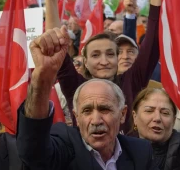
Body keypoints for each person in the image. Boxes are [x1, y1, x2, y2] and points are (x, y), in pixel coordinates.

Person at [42, 0, 161, 133]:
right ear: (85, 61)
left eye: (110, 54)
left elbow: (152, 41)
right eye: (96, 55)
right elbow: (55, 46)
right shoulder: (76, 86)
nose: (104, 61)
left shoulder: (131, 81)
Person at [17, 25, 155, 169]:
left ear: (123, 114)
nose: (96, 121)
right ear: (76, 116)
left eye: (105, 109)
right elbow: (33, 152)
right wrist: (41, 79)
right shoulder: (66, 144)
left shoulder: (140, 152)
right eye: (87, 111)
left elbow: (152, 45)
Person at [132, 88, 180, 170]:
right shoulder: (120, 149)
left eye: (165, 113)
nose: (157, 118)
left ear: (174, 121)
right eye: (149, 111)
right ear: (135, 117)